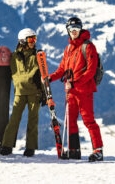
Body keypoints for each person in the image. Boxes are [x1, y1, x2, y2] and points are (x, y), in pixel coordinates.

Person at [44, 17, 103, 162]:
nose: (74, 31)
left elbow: (91, 71)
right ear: (68, 31)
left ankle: (98, 151)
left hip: (84, 91)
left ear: (80, 29)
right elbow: (62, 69)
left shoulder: (88, 46)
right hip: (70, 92)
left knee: (88, 121)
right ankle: (74, 151)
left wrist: (75, 83)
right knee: (69, 121)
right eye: (71, 29)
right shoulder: (69, 48)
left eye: (76, 28)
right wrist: (50, 78)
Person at [0, 28, 46, 157]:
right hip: (19, 92)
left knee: (33, 120)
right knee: (14, 120)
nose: (33, 42)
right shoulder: (14, 56)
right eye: (30, 39)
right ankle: (7, 146)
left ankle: (30, 148)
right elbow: (6, 71)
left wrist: (45, 93)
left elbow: (44, 74)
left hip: (34, 92)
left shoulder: (37, 55)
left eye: (34, 39)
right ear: (22, 41)